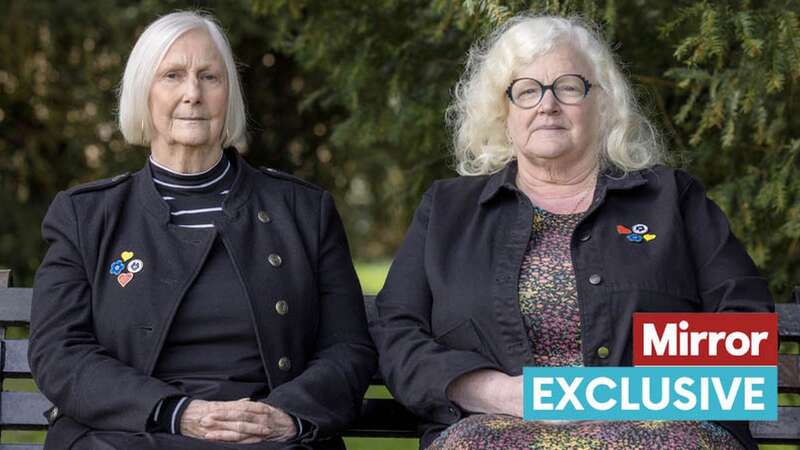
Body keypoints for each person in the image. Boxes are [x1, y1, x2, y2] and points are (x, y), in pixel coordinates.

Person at [370, 14, 773, 450]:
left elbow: (744, 327)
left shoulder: (672, 199)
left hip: (663, 428)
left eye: (568, 87)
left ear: (603, 105)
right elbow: (397, 331)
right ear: (502, 113)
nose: (547, 105)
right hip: (497, 426)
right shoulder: (448, 210)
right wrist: (496, 392)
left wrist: (609, 396)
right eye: (526, 91)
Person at [29, 11, 375, 450]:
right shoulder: (86, 216)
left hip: (264, 437)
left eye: (209, 77)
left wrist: (285, 415)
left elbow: (348, 348)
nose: (193, 94)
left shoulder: (302, 210)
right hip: (130, 434)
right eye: (172, 75)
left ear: (228, 95)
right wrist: (176, 412)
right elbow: (60, 352)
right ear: (144, 93)